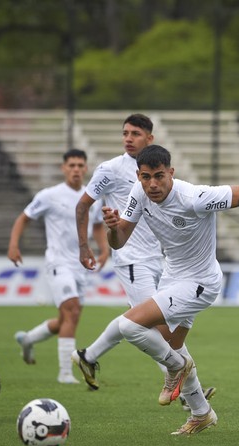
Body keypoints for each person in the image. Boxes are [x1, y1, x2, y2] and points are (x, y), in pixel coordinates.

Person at [76, 144, 239, 435]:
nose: (152, 184)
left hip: (200, 283)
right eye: (146, 177)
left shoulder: (194, 197)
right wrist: (113, 228)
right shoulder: (139, 193)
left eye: (159, 176)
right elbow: (119, 242)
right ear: (138, 176)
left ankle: (176, 367)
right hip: (173, 277)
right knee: (172, 344)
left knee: (129, 325)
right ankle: (201, 413)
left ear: (171, 172)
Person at [73, 113, 215, 408]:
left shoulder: (157, 168)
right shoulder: (109, 169)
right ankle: (191, 398)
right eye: (125, 132)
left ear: (150, 138)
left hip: (161, 258)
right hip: (131, 257)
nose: (128, 138)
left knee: (149, 323)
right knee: (156, 328)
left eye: (135, 133)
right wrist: (85, 245)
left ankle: (88, 355)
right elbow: (84, 204)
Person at [9, 149, 109, 384]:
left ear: (86, 169)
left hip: (81, 265)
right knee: (72, 311)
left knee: (67, 319)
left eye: (80, 165)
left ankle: (29, 339)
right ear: (64, 168)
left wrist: (105, 249)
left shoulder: (92, 197)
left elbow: (96, 225)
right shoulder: (49, 195)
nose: (76, 169)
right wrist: (14, 244)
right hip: (58, 262)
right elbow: (23, 218)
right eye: (71, 165)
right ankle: (65, 373)